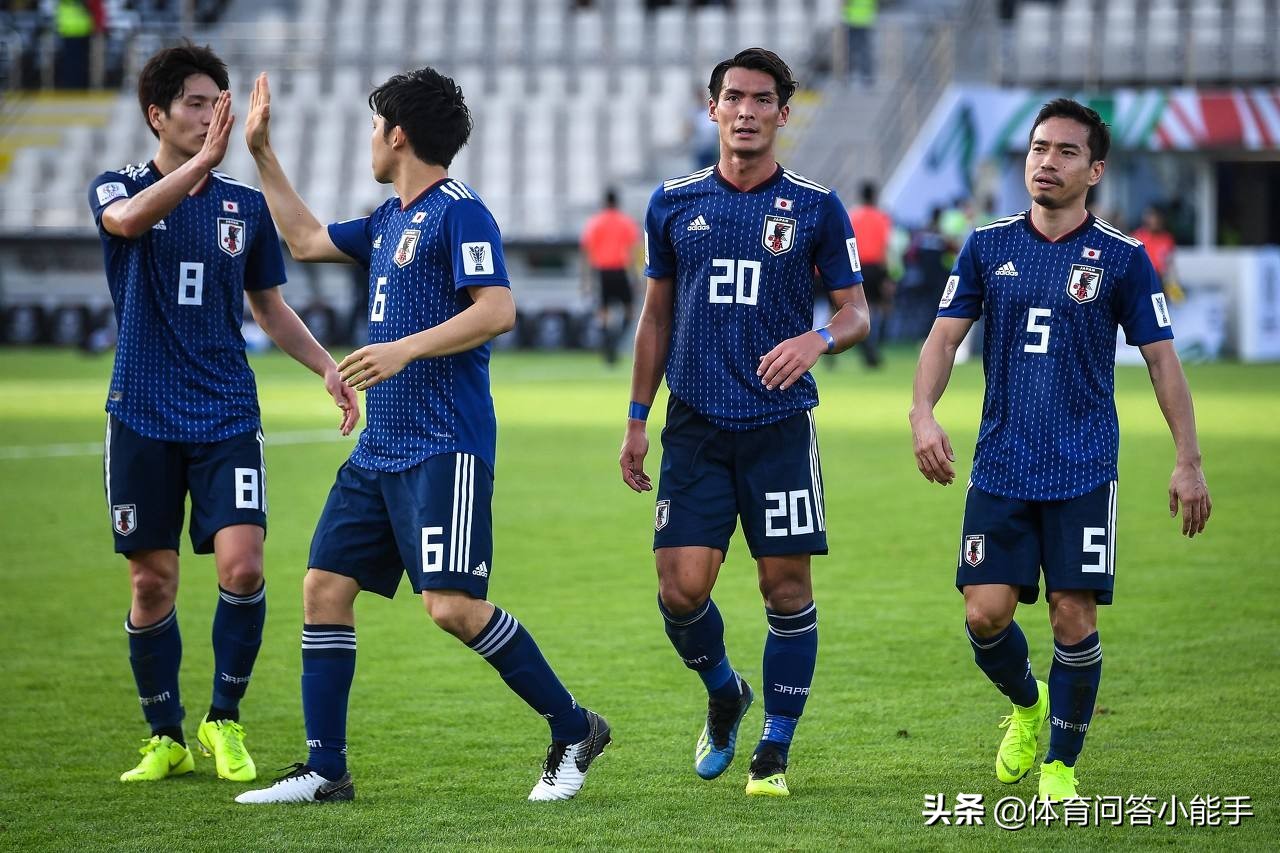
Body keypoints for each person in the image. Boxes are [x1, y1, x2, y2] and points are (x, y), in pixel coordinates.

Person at [234, 67, 609, 804]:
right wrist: (262, 153)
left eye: (375, 127)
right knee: (323, 587)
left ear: (398, 134)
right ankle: (326, 770)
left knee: (451, 606)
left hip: (445, 444)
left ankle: (574, 728)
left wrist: (404, 349)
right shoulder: (386, 219)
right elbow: (304, 239)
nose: (370, 141)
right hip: (380, 447)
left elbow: (497, 309)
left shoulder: (460, 212)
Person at [909, 98, 1212, 802]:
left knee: (1073, 616)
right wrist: (923, 414)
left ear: (1095, 170)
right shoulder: (986, 246)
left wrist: (1188, 459)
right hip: (1001, 464)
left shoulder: (1123, 259)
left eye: (1066, 151)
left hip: (1083, 466)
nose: (1047, 162)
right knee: (984, 615)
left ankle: (1061, 765)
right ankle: (1028, 704)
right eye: (1039, 147)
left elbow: (1163, 362)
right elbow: (944, 338)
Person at [87, 42, 359, 785]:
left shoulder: (242, 205)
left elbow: (269, 307)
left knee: (243, 566)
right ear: (157, 115)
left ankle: (223, 719)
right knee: (152, 581)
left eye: (217, 103)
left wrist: (327, 366)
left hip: (225, 412)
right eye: (195, 103)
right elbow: (126, 222)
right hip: (141, 412)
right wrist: (200, 164)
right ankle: (165, 735)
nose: (210, 116)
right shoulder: (117, 184)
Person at [620, 48, 869, 798]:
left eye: (763, 100)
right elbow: (655, 318)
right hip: (694, 425)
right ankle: (725, 692)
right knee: (680, 591)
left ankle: (774, 749)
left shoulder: (817, 207)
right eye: (734, 97)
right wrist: (637, 419)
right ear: (713, 109)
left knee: (785, 589)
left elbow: (857, 312)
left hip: (779, 428)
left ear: (784, 114)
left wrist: (817, 339)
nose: (748, 111)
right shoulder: (672, 202)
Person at [580, 187, 641, 365]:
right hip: (621, 271)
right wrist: (636, 277)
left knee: (603, 313)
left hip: (602, 272)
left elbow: (587, 252)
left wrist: (586, 280)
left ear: (604, 202)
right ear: (617, 202)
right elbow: (633, 251)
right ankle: (615, 342)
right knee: (630, 312)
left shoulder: (595, 222)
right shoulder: (627, 222)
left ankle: (609, 345)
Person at [847, 181, 893, 366]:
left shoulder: (853, 216)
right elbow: (885, 246)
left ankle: (868, 347)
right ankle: (874, 346)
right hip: (877, 267)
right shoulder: (882, 217)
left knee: (858, 308)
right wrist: (888, 275)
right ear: (874, 196)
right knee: (881, 308)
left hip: (857, 267)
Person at [1132, 204, 1184, 302]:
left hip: (1159, 280)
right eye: (1152, 217)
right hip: (1141, 280)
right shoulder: (1137, 237)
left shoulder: (1167, 238)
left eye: (1157, 218)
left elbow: (1170, 265)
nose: (1155, 221)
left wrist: (1174, 287)